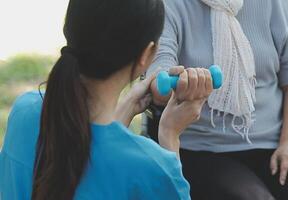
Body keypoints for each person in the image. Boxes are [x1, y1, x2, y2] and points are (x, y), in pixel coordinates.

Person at [0, 0, 214, 199]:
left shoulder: (25, 111)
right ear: (146, 55)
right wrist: (170, 134)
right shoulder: (152, 167)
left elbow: (88, 164)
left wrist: (125, 109)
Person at [148, 0, 288, 199]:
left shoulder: (272, 4)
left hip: (274, 145)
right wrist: (182, 86)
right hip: (201, 149)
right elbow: (158, 81)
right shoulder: (170, 5)